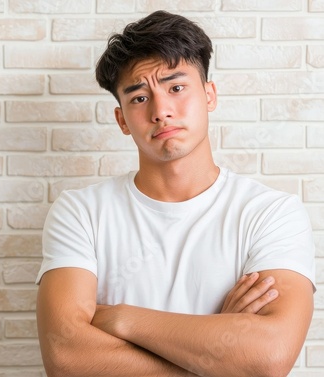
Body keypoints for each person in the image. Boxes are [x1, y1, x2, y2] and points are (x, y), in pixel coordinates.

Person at [36, 10, 315, 377]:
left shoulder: (271, 214)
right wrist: (216, 354)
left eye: (176, 87)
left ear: (209, 95)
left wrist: (122, 319)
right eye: (138, 98)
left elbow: (269, 357)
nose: (161, 111)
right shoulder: (81, 212)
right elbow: (66, 357)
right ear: (122, 120)